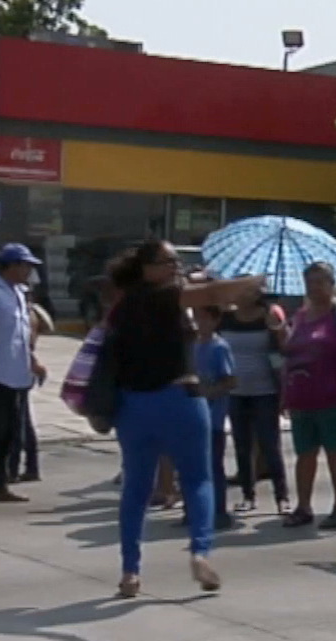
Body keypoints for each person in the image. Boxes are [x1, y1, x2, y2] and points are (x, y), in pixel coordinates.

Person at [106, 239, 264, 598]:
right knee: (198, 479)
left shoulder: (123, 305)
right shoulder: (164, 296)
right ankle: (200, 552)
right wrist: (251, 281)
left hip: (132, 406)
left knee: (136, 488)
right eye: (169, 261)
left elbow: (208, 296)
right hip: (179, 399)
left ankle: (130, 571)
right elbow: (212, 291)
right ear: (147, 268)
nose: (176, 267)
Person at [281, 261, 336, 529]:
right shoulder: (300, 316)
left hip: (335, 396)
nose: (314, 287)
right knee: (304, 453)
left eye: (320, 281)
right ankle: (303, 507)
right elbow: (289, 354)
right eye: (310, 282)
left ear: (332, 284)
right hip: (302, 397)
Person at [0, 244, 48, 504]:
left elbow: (20, 336)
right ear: (11, 265)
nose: (29, 271)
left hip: (16, 375)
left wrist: (33, 362)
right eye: (25, 266)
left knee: (8, 433)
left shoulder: (19, 293)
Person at [222, 289, 290, 515]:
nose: (240, 294)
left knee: (270, 444)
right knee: (242, 446)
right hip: (235, 391)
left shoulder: (268, 315)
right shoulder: (226, 317)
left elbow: (285, 349)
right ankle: (247, 495)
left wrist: (278, 328)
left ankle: (282, 497)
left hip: (265, 390)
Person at [194, 305, 239, 530]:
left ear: (214, 320)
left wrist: (209, 393)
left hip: (213, 417)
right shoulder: (193, 346)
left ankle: (219, 511)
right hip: (192, 417)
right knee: (193, 466)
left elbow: (230, 380)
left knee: (214, 466)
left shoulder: (219, 347)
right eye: (196, 317)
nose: (199, 322)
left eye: (204, 318)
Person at [11, 292, 52, 484]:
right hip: (23, 370)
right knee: (23, 421)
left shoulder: (23, 315)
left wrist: (34, 364)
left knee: (17, 422)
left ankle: (13, 468)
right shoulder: (29, 313)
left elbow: (24, 346)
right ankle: (30, 467)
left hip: (19, 370)